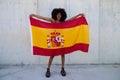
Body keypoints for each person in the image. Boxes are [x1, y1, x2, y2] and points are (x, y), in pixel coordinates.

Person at [30, 8, 84, 78]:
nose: (59, 16)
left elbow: (72, 20)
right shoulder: (52, 21)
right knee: (52, 55)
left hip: (61, 40)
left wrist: (79, 15)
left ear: (62, 15)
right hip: (53, 40)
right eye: (58, 14)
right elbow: (43, 18)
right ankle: (48, 69)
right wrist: (34, 15)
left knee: (63, 54)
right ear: (55, 15)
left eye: (60, 14)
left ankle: (62, 69)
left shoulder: (63, 22)